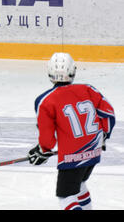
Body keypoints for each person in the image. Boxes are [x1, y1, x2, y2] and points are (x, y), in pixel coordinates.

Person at [28, 52, 115, 210]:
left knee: (66, 197)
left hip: (72, 158)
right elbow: (108, 114)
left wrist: (42, 151)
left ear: (49, 73)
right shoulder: (88, 89)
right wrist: (103, 137)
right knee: (80, 186)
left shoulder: (45, 100)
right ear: (73, 71)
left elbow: (47, 139)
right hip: (93, 152)